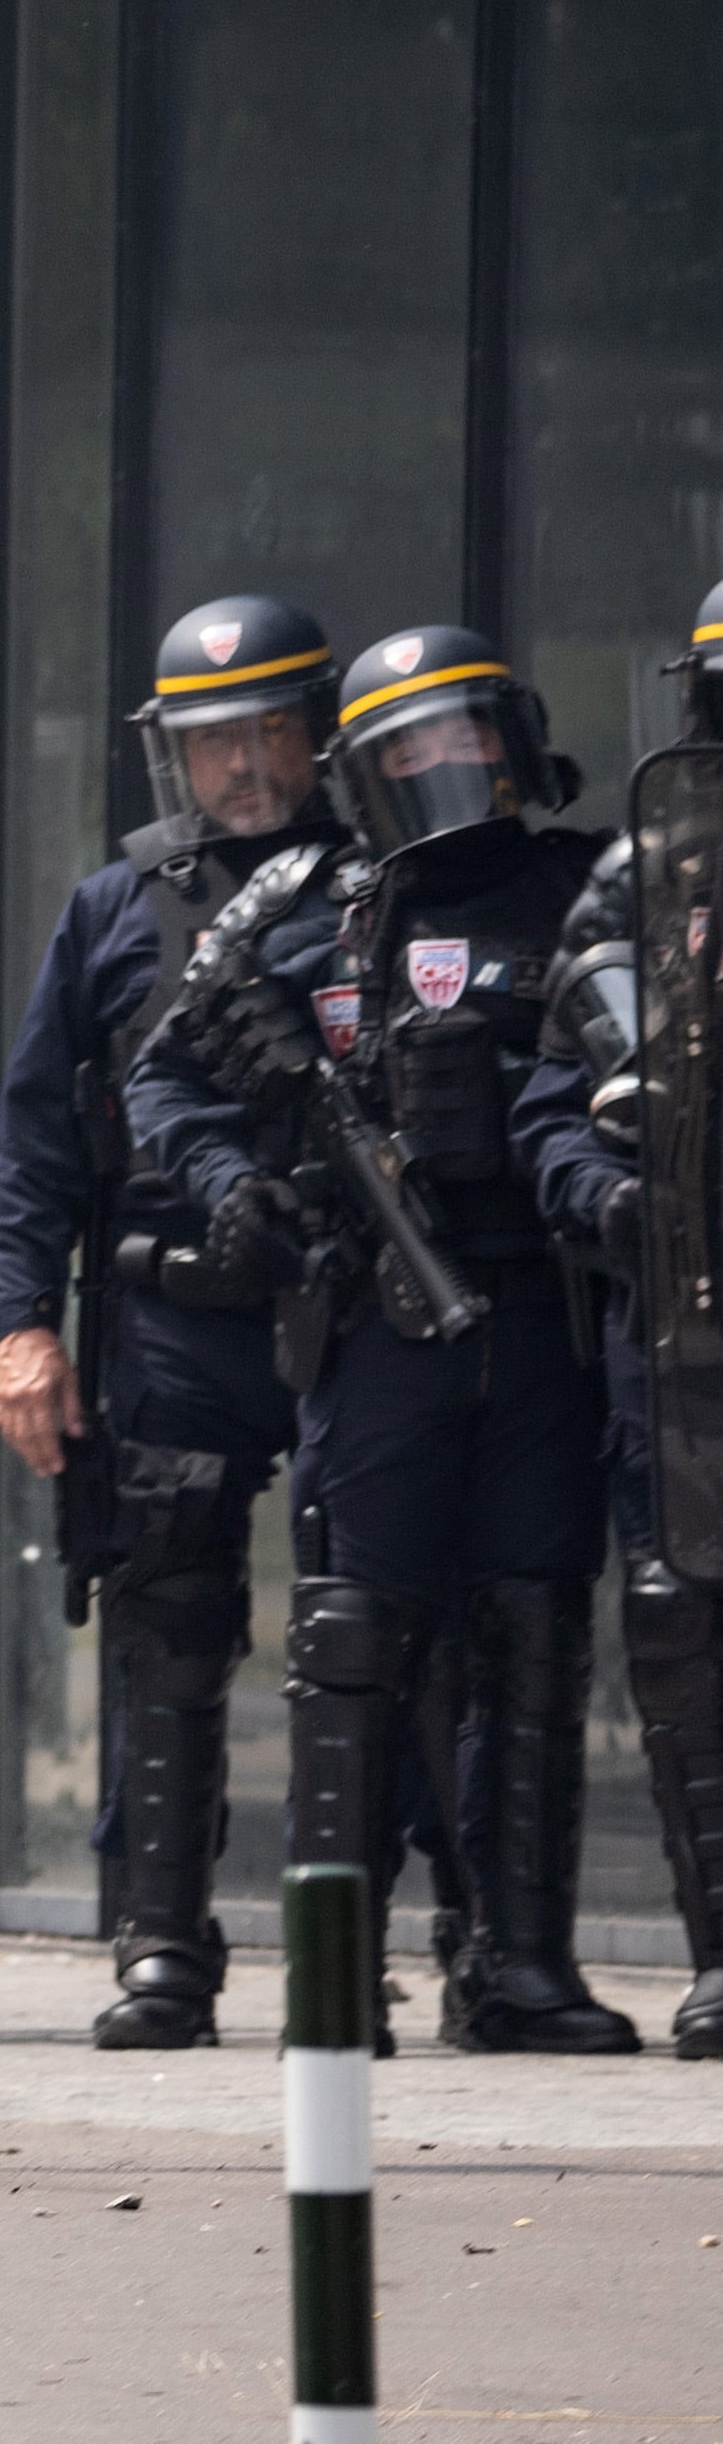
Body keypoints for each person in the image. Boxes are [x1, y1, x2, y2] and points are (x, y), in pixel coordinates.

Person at [130, 623, 633, 2055]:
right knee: (354, 1639)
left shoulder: (579, 885)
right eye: (404, 752)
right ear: (360, 772)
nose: (442, 770)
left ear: (512, 736)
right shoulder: (309, 903)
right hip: (373, 1320)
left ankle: (516, 1963)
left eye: (461, 738)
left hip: (541, 1306)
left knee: (532, 1628)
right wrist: (237, 1188)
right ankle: (333, 1971)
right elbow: (162, 1079)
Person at [0, 594, 346, 2049]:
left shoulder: (381, 880)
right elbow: (33, 1142)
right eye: (211, 741)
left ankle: (370, 1933)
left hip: (347, 1305)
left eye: (267, 730)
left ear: (314, 729)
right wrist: (24, 1324)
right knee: (165, 1621)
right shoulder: (112, 904)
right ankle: (159, 1946)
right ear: (170, 757)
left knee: (371, 1624)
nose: (243, 764)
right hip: (168, 1313)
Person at [511, 576, 723, 2060]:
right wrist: (603, 1196)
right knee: (676, 1614)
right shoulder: (646, 867)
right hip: (689, 1311)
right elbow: (549, 1095)